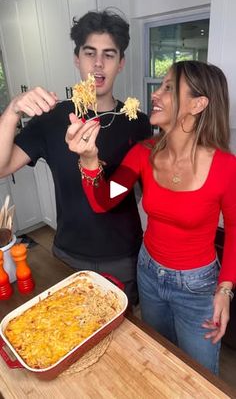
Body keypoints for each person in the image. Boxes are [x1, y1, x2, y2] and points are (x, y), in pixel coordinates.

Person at [67, 60, 236, 374]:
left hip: (197, 287)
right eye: (160, 85)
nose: (155, 94)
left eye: (169, 88)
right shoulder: (143, 153)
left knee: (197, 376)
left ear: (199, 104)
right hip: (149, 273)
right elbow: (104, 201)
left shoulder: (227, 167)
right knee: (158, 361)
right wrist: (89, 160)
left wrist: (225, 289)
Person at [0, 10, 151, 305]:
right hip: (68, 252)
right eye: (89, 53)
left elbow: (140, 189)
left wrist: (107, 181)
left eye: (109, 54)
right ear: (77, 58)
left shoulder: (138, 122)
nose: (98, 63)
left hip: (123, 254)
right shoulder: (51, 118)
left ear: (120, 63)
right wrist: (12, 111)